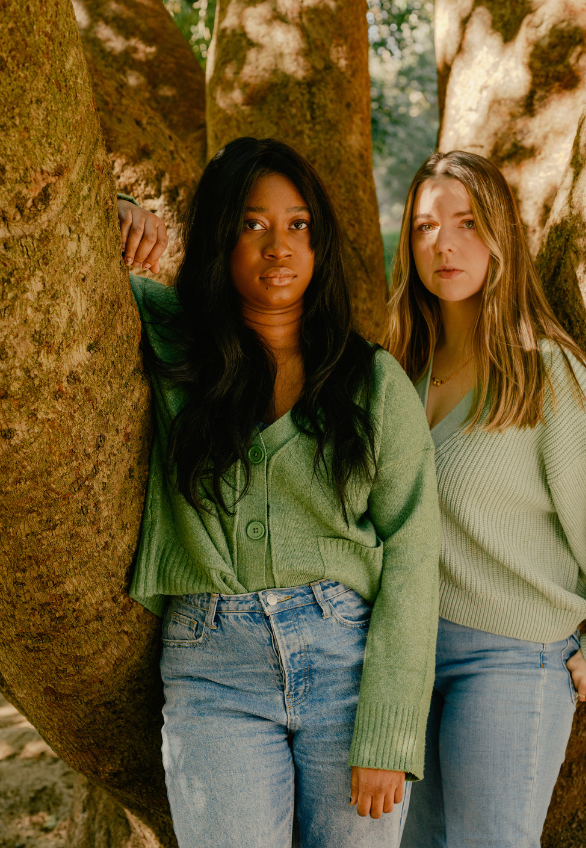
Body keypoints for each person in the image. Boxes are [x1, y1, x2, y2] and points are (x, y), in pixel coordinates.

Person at [120, 137, 440, 847]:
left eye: (297, 225)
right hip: (214, 675)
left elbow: (415, 559)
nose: (279, 246)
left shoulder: (372, 381)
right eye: (252, 224)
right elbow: (60, 258)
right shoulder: (172, 344)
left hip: (348, 670)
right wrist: (117, 211)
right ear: (219, 238)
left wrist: (389, 732)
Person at [383, 151, 586, 847]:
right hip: (404, 657)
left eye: (466, 223)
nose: (444, 244)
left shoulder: (549, 375)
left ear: (500, 240)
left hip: (510, 661)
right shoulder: (400, 372)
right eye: (426, 226)